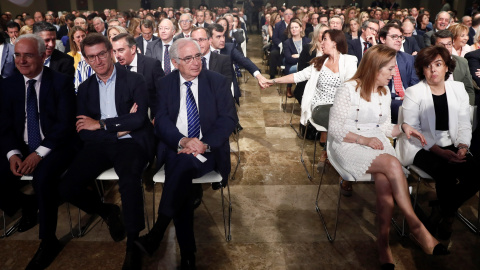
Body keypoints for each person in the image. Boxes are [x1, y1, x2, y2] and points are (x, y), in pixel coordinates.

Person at [329, 44, 449, 269]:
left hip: (377, 143)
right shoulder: (348, 89)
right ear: (375, 68)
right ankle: (416, 226)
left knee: (385, 181)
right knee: (392, 163)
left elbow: (384, 128)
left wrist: (403, 128)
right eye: (390, 69)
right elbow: (335, 129)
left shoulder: (384, 92)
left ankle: (383, 243)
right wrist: (363, 140)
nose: (394, 73)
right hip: (349, 143)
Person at [135, 38, 237, 269]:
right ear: (174, 62)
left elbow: (228, 119)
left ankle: (158, 234)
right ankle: (187, 254)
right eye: (188, 58)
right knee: (180, 174)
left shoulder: (217, 82)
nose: (195, 63)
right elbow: (160, 120)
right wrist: (182, 140)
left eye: (198, 56)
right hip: (175, 147)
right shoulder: (164, 84)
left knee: (178, 173)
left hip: (208, 151)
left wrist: (204, 143)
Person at [59, 33, 155, 269]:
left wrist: (101, 123)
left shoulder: (135, 79)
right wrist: (118, 127)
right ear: (86, 59)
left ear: (111, 52)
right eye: (92, 57)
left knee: (130, 180)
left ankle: (133, 244)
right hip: (100, 144)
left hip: (131, 143)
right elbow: (83, 130)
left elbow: (139, 119)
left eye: (102, 54)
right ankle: (107, 211)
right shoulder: (84, 88)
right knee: (66, 186)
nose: (98, 61)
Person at [0, 34, 77, 269]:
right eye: (18, 55)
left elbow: (64, 125)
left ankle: (48, 241)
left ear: (43, 56)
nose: (21, 61)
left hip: (56, 145)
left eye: (28, 55)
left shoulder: (61, 82)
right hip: (22, 145)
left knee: (43, 179)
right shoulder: (8, 84)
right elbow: (3, 125)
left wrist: (38, 154)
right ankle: (26, 205)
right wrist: (13, 153)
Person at [397, 45, 480, 241]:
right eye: (428, 66)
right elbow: (414, 129)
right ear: (422, 69)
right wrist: (439, 151)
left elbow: (463, 123)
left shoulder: (457, 88)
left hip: (452, 141)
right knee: (446, 172)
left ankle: (441, 210)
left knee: (477, 171)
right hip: (419, 144)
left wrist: (462, 147)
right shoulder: (414, 92)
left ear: (447, 67)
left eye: (438, 64)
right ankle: (448, 218)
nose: (433, 70)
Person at [266, 29, 357, 172]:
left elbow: (351, 85)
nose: (321, 42)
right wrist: (273, 80)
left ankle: (330, 155)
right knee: (339, 120)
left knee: (350, 118)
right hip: (320, 106)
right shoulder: (318, 63)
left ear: (334, 43)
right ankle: (338, 160)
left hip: (342, 106)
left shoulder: (350, 61)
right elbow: (297, 76)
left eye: (325, 39)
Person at [208, 23, 269, 104]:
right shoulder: (204, 51)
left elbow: (244, 61)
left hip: (227, 91)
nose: (222, 39)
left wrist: (258, 76)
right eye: (218, 37)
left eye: (223, 36)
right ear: (210, 39)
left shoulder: (229, 48)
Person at [112, 33, 164, 120]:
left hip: (151, 120)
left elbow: (163, 95)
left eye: (121, 50)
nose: (117, 55)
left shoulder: (152, 65)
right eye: (114, 51)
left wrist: (158, 118)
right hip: (125, 120)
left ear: (133, 49)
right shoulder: (116, 68)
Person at [431, 30, 475, 105]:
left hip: (459, 104)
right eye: (441, 45)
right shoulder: (427, 64)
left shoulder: (462, 62)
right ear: (432, 46)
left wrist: (468, 108)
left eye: (449, 44)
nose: (446, 48)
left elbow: (469, 90)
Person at [293, 24, 329, 103]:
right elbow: (301, 69)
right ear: (316, 34)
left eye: (327, 33)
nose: (324, 35)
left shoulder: (331, 50)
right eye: (322, 33)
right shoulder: (308, 48)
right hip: (308, 83)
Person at [282, 18, 311, 98]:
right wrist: (302, 58)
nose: (294, 29)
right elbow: (289, 59)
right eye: (292, 28)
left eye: (296, 27)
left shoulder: (308, 41)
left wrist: (298, 55)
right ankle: (289, 88)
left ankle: (305, 89)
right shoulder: (287, 42)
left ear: (301, 28)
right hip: (292, 65)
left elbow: (310, 57)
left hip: (305, 65)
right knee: (295, 69)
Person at [269, 8, 294, 79]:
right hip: (279, 46)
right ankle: (272, 74)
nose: (288, 16)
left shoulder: (295, 24)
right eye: (286, 14)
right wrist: (280, 44)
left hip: (292, 47)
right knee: (274, 53)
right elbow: (274, 37)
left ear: (293, 15)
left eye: (290, 14)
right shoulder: (278, 25)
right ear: (283, 16)